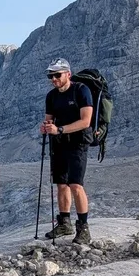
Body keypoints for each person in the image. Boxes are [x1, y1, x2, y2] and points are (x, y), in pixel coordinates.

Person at [39, 59, 94, 244]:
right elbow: (49, 119)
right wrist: (47, 127)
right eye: (50, 76)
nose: (53, 79)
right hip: (59, 144)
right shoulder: (51, 96)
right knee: (61, 184)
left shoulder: (81, 91)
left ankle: (83, 227)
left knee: (76, 185)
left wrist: (60, 129)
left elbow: (86, 121)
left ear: (68, 74)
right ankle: (64, 222)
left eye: (57, 75)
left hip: (78, 143)